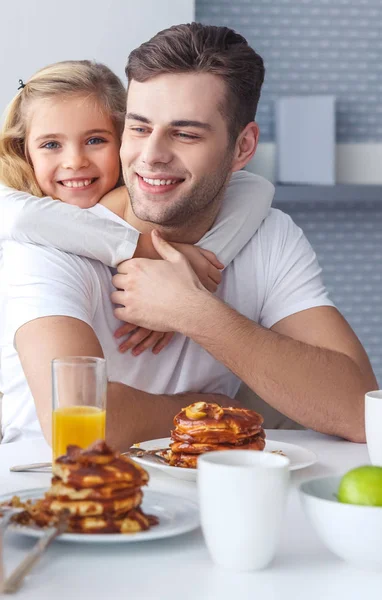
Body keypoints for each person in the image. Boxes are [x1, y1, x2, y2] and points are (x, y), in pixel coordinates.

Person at [0, 57, 273, 443]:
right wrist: (140, 248)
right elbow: (17, 219)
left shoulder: (151, 208)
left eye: (96, 140)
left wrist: (199, 265)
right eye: (50, 144)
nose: (74, 160)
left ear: (127, 141)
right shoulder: (26, 223)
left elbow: (256, 188)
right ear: (23, 151)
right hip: (31, 448)